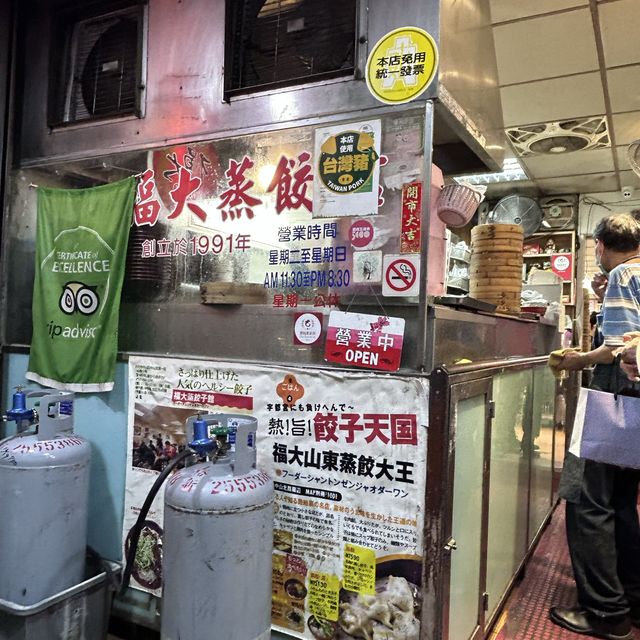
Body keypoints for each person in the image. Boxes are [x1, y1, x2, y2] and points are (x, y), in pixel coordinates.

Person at [550, 214, 640, 640]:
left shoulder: (623, 272)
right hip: (634, 405)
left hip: (615, 396)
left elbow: (620, 348)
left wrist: (576, 361)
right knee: (621, 500)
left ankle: (606, 612)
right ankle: (632, 599)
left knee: (587, 500)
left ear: (600, 246)